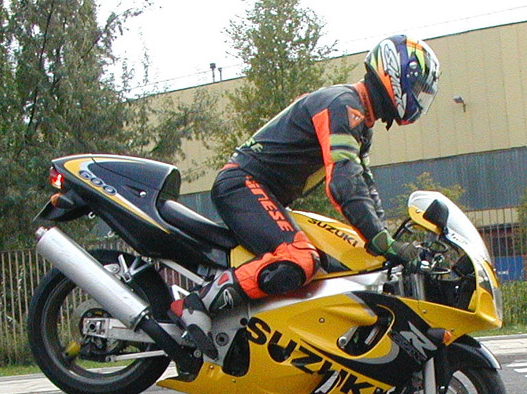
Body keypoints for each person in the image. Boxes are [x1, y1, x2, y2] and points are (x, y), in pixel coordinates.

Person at [169, 34, 441, 358]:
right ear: (395, 75)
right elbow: (344, 185)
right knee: (299, 258)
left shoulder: (358, 119)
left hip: (258, 190)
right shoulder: (343, 105)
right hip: (243, 183)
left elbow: (365, 187)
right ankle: (197, 304)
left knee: (327, 263)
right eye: (417, 88)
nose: (418, 98)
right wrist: (382, 242)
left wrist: (383, 243)